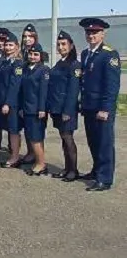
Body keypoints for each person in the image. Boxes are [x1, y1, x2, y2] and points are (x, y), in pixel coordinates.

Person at [78, 17, 121, 191]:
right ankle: (96, 170)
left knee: (104, 142)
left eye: (95, 32)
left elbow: (112, 86)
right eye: (88, 32)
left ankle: (105, 178)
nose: (91, 35)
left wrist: (105, 108)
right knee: (93, 141)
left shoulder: (109, 54)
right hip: (89, 105)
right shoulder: (85, 53)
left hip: (101, 108)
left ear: (103, 34)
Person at [47, 30, 81, 182]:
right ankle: (67, 169)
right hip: (57, 108)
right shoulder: (60, 62)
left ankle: (73, 170)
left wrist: (67, 110)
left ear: (71, 46)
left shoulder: (74, 65)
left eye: (64, 44)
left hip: (67, 109)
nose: (61, 47)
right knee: (63, 138)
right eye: (59, 44)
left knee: (68, 139)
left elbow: (73, 90)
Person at [0, 33, 24, 168]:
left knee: (13, 130)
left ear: (17, 46)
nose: (8, 47)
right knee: (8, 129)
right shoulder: (5, 62)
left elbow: (14, 85)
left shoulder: (18, 64)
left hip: (12, 103)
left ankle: (15, 157)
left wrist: (8, 103)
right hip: (2, 101)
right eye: (6, 45)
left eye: (11, 45)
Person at [20, 43, 50, 176]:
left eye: (36, 54)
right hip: (27, 108)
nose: (32, 57)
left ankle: (41, 164)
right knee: (31, 136)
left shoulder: (43, 70)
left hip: (37, 109)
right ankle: (38, 161)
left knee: (36, 137)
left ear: (40, 56)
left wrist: (42, 109)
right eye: (31, 54)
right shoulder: (26, 69)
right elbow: (22, 90)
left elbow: (44, 91)